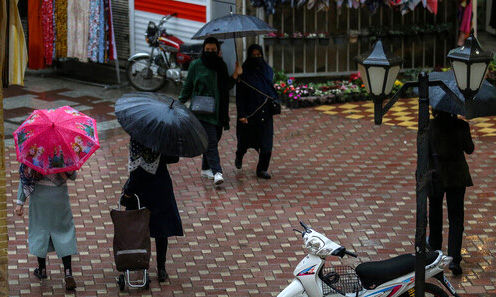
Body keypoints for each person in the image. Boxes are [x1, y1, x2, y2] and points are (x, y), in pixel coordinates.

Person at [179, 37, 242, 185]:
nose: (210, 52)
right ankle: (217, 172)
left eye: (213, 50)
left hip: (219, 111)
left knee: (215, 138)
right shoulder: (196, 65)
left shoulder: (221, 65)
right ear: (203, 50)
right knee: (211, 141)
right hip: (202, 111)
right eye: (207, 50)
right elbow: (188, 86)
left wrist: (236, 74)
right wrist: (179, 102)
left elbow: (226, 86)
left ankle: (205, 168)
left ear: (218, 51)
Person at [122, 139, 183, 282]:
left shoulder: (137, 138)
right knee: (161, 230)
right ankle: (161, 268)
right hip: (161, 187)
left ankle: (140, 265)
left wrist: (128, 192)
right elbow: (174, 158)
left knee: (139, 230)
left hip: (140, 191)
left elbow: (136, 172)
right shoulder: (161, 136)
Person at [14, 165, 78, 291]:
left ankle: (42, 269)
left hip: (39, 199)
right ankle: (68, 272)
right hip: (60, 198)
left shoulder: (33, 152)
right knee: (64, 232)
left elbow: (24, 178)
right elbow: (73, 176)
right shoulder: (62, 153)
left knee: (40, 231)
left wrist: (20, 203)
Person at [427, 109, 474, 275]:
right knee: (456, 218)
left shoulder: (429, 126)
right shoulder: (461, 126)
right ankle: (454, 260)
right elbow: (469, 149)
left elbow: (424, 153)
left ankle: (434, 253)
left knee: (435, 215)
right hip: (457, 176)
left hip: (436, 176)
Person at [235, 44, 278, 179]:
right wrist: (242, 114)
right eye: (254, 56)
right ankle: (239, 156)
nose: (257, 58)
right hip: (249, 115)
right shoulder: (244, 73)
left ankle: (262, 169)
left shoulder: (267, 71)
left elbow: (271, 90)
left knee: (266, 146)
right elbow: (240, 97)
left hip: (265, 113)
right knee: (244, 142)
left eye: (259, 55)